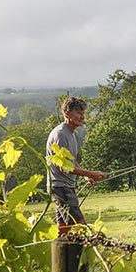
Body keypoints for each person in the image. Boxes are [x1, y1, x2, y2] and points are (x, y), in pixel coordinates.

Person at [46, 96, 107, 234]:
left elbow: (71, 161)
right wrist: (91, 173)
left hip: (66, 186)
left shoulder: (72, 134)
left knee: (64, 229)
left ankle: (61, 254)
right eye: (79, 113)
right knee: (80, 226)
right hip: (60, 187)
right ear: (67, 113)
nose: (82, 117)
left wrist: (85, 177)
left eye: (83, 113)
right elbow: (64, 167)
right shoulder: (61, 134)